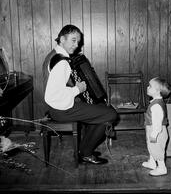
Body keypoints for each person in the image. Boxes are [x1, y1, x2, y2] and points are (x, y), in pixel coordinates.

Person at [42, 24, 118, 165]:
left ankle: (83, 149)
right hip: (62, 109)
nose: (77, 45)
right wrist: (78, 89)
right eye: (73, 40)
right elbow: (52, 95)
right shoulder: (62, 63)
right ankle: (86, 153)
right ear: (62, 39)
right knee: (110, 114)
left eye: (78, 41)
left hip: (58, 107)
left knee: (99, 109)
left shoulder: (53, 55)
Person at [142, 77, 171, 176]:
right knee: (152, 147)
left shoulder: (156, 106)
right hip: (153, 129)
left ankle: (162, 168)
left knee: (157, 150)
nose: (147, 87)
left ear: (157, 91)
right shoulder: (156, 101)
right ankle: (152, 162)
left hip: (157, 132)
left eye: (150, 86)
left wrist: (154, 135)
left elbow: (157, 124)